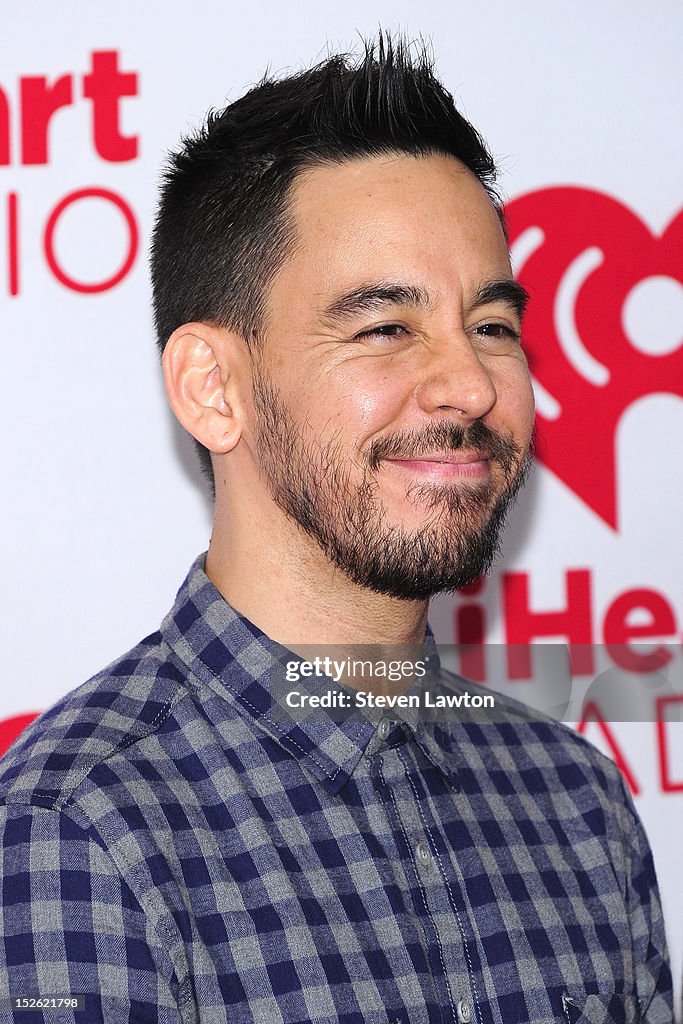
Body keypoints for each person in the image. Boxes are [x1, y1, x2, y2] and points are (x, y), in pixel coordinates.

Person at [0, 34, 673, 1024]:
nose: (471, 385)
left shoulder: (573, 802)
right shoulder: (79, 830)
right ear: (212, 387)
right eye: (384, 328)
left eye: (492, 326)